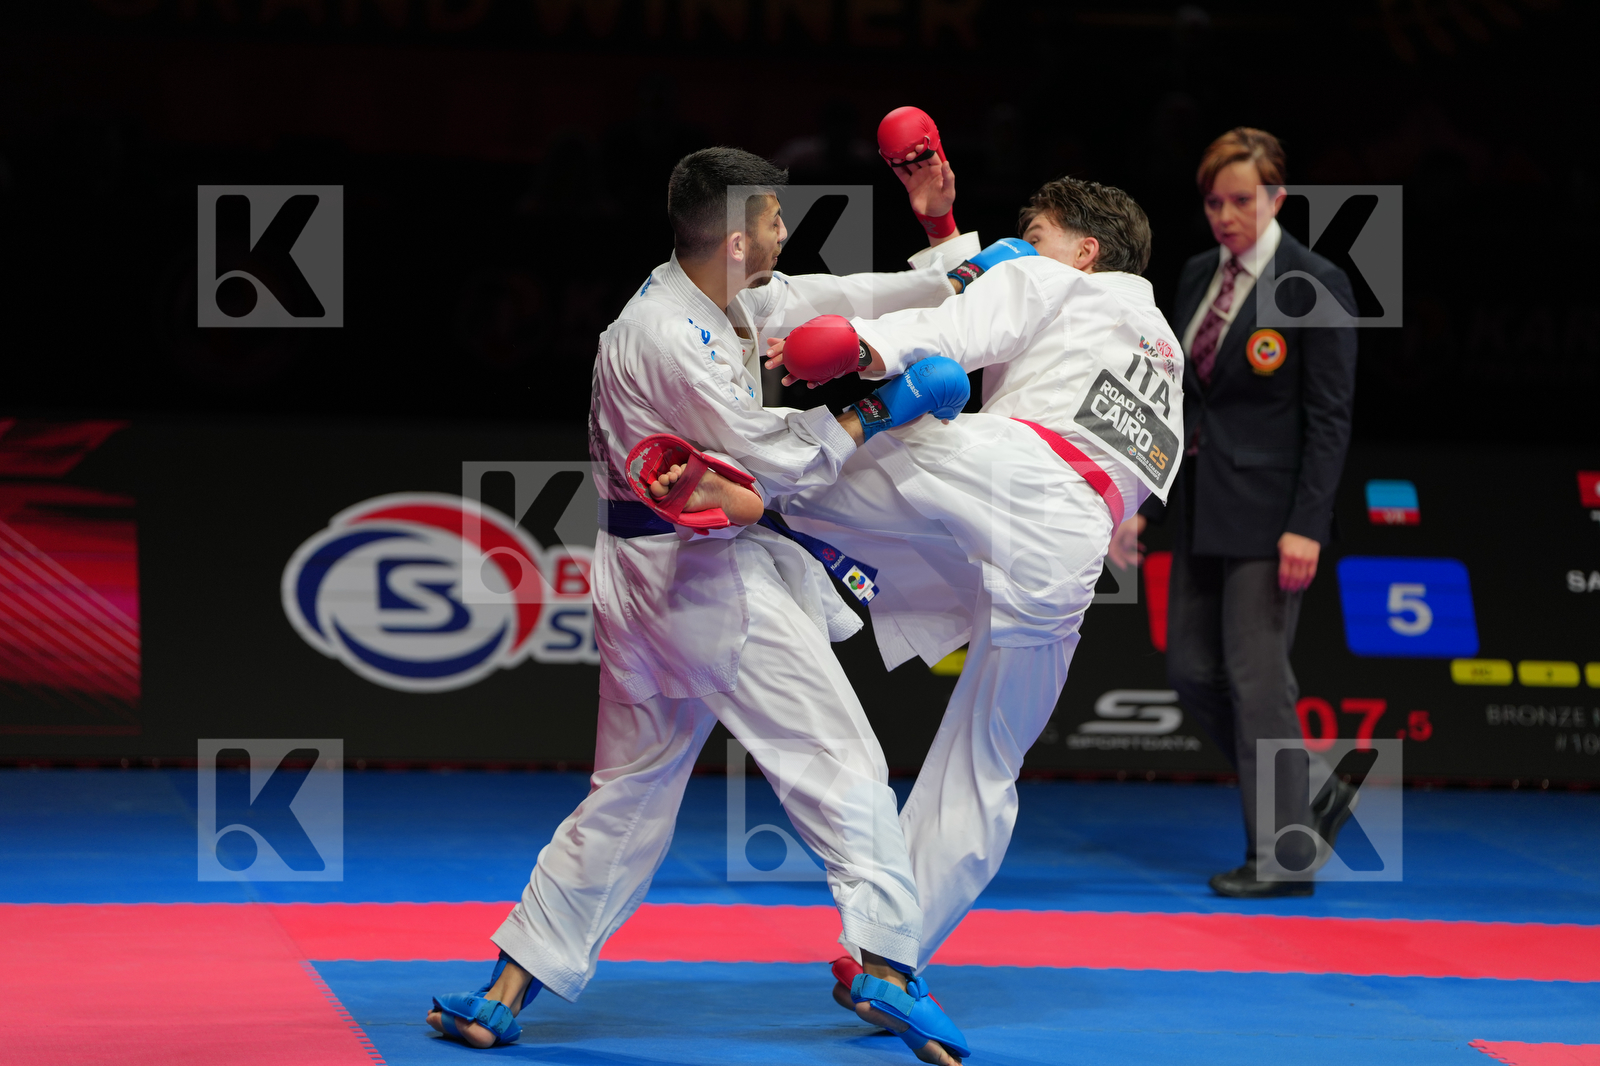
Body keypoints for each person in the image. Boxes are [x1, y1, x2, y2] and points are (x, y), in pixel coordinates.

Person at [425, 147, 973, 1065]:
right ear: (731, 234)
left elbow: (833, 299)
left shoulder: (719, 300)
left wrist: (952, 272)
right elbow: (775, 458)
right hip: (702, 584)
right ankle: (886, 965)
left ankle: (505, 989)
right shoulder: (666, 337)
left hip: (649, 580)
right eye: (770, 221)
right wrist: (880, 412)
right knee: (842, 763)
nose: (783, 233)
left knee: (630, 793)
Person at [768, 174, 1185, 982]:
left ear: (1085, 251)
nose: (1021, 248)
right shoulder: (1160, 346)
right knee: (986, 762)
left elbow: (958, 329)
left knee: (849, 450)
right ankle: (889, 957)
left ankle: (729, 484)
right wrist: (944, 222)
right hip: (1069, 558)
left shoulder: (1052, 278)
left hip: (1013, 477)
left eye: (1036, 233)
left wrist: (856, 344)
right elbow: (1006, 317)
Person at [1108, 127, 1359, 898]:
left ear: (1277, 198)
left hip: (1272, 517)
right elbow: (1170, 402)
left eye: (1242, 200)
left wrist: (1307, 526)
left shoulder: (1314, 282)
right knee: (1189, 672)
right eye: (1215, 202)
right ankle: (1311, 795)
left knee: (1258, 684)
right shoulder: (1191, 278)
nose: (1226, 215)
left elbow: (1329, 417)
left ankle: (1281, 855)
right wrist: (1139, 498)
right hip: (1200, 509)